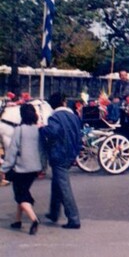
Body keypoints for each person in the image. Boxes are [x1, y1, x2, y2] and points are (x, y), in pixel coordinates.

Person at [40, 92, 82, 229]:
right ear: (64, 102)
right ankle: (54, 212)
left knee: (64, 186)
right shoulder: (73, 116)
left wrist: (42, 129)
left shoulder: (55, 117)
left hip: (59, 154)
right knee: (57, 183)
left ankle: (73, 218)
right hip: (71, 153)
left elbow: (53, 132)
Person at [0, 104, 43, 235]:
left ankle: (34, 220)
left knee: (20, 195)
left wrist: (4, 168)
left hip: (21, 168)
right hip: (35, 168)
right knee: (22, 192)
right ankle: (17, 220)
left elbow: (12, 151)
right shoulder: (38, 130)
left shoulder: (19, 130)